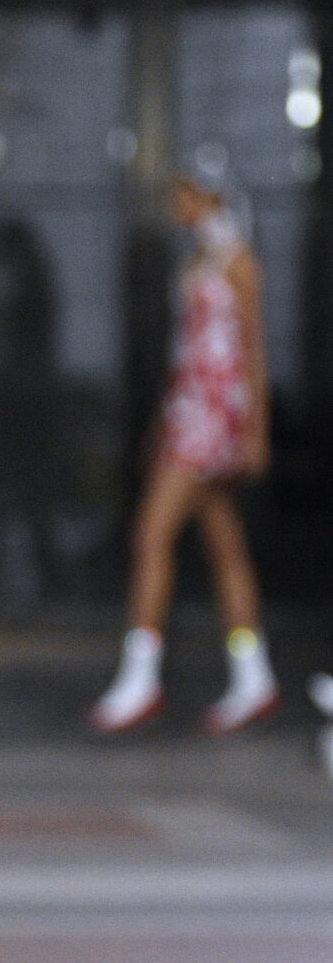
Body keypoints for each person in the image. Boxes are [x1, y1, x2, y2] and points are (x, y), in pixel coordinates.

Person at [89, 173, 277, 736]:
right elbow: (186, 349)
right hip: (189, 410)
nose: (177, 210)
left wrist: (255, 430)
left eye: (185, 199)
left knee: (151, 535)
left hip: (216, 417)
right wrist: (163, 419)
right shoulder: (202, 260)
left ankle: (141, 674)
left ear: (210, 198)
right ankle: (251, 670)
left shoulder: (239, 263)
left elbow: (254, 350)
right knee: (225, 546)